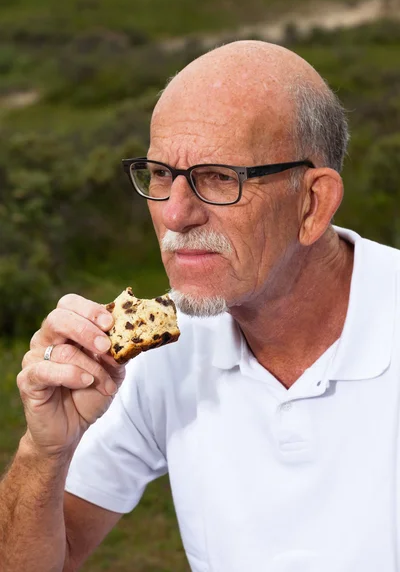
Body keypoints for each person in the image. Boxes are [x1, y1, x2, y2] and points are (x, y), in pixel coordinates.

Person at [1, 39, 399, 572]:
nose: (175, 214)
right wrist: (43, 454)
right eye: (161, 175)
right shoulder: (154, 353)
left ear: (312, 203)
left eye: (218, 178)